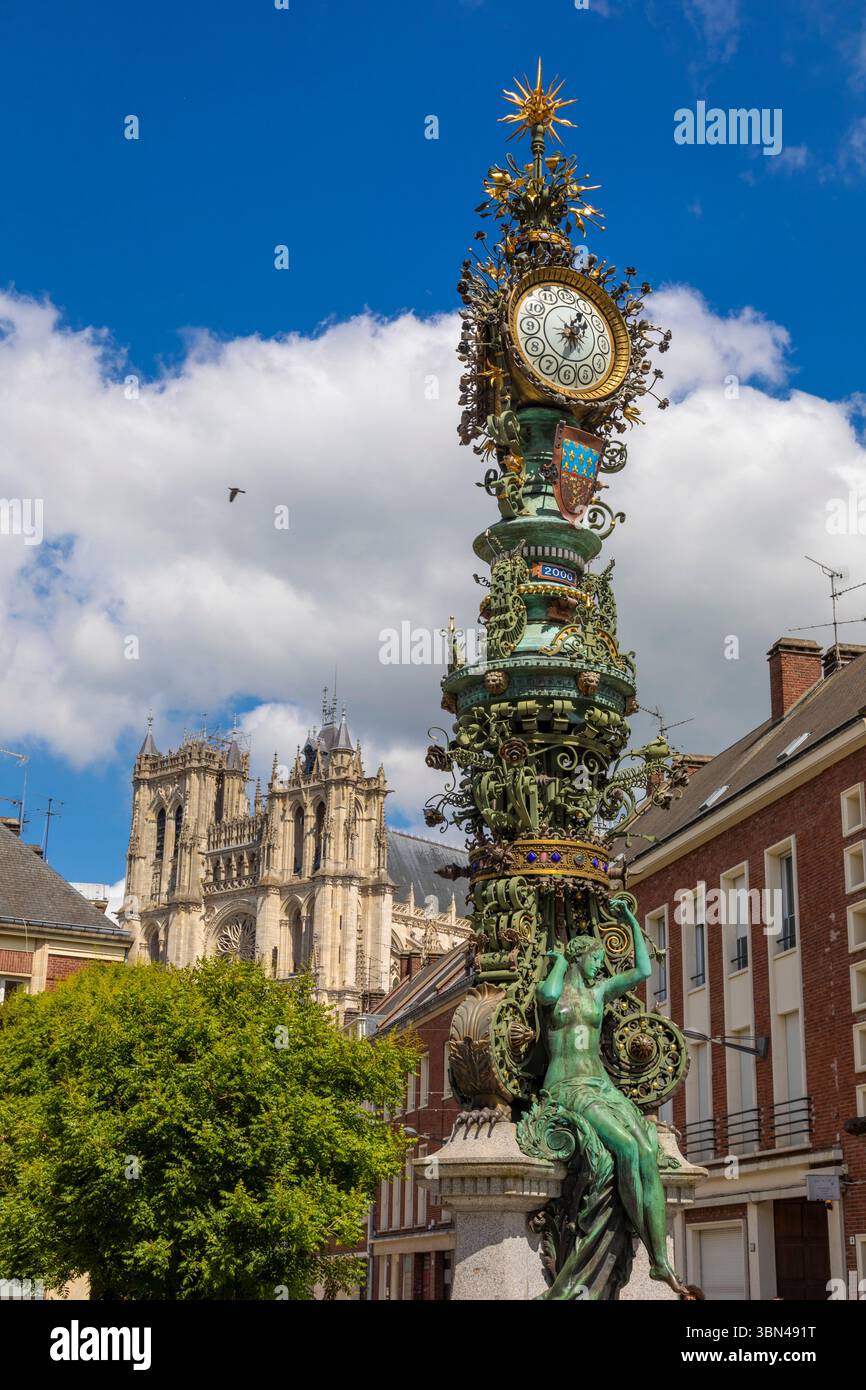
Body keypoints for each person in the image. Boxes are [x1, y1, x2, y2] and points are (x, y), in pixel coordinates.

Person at [536, 900, 689, 1296]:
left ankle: (659, 1261)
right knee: (623, 1146)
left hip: (600, 1085)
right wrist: (557, 961)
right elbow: (547, 994)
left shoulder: (600, 991)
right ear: (579, 956)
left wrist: (630, 923)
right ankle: (645, 1244)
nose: (600, 967)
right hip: (566, 1086)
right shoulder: (561, 988)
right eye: (595, 959)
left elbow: (642, 970)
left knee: (645, 1149)